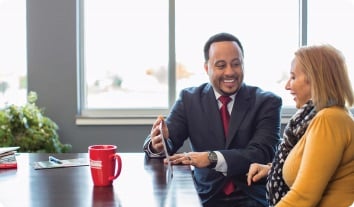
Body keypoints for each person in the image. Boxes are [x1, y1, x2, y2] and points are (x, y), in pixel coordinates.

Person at [143, 32, 282, 207]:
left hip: (251, 196)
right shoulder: (189, 99)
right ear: (206, 68)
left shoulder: (267, 102)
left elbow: (262, 153)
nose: (230, 72)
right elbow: (169, 138)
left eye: (236, 64)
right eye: (221, 65)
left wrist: (212, 158)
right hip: (205, 196)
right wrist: (159, 143)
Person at [247, 44, 354, 207]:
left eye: (293, 77)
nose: (287, 86)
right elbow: (315, 168)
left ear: (315, 78)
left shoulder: (328, 120)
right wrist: (272, 169)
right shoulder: (319, 117)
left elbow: (304, 197)